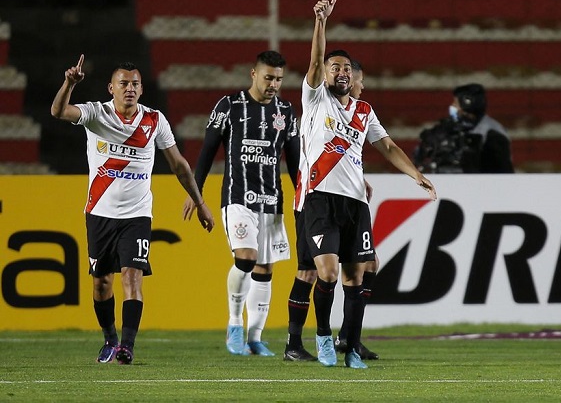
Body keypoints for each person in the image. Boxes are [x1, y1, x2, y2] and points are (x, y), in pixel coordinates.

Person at [296, 0, 436, 369]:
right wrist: (321, 22)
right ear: (325, 74)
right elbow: (315, 60)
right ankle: (323, 337)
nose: (341, 72)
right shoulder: (315, 99)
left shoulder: (364, 110)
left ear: (353, 77)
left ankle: (352, 349)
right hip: (321, 198)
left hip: (355, 202)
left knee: (356, 276)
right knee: (326, 273)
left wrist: (416, 174)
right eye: (334, 67)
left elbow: (386, 146)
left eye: (346, 68)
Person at [51, 54, 215, 365]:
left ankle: (127, 346)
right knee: (101, 283)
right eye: (123, 83)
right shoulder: (96, 114)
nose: (129, 88)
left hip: (137, 215)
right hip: (99, 212)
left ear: (141, 89)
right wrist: (69, 84)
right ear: (110, 88)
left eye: (135, 84)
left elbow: (179, 165)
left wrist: (200, 202)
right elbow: (58, 111)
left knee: (132, 276)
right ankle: (110, 338)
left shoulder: (155, 120)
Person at [183, 51, 300, 357]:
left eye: (278, 79)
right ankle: (234, 323)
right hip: (238, 198)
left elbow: (295, 161)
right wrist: (196, 192)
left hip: (272, 200)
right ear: (253, 74)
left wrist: (303, 194)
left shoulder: (286, 111)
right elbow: (208, 150)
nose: (273, 84)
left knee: (265, 268)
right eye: (268, 77)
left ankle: (255, 338)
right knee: (246, 258)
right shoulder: (230, 106)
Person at [284, 58, 379, 362]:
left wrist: (359, 179)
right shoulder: (318, 101)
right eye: (359, 79)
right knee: (311, 271)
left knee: (365, 266)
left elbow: (348, 154)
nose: (360, 85)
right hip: (311, 200)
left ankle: (349, 338)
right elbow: (315, 64)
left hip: (343, 199)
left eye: (352, 75)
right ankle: (297, 342)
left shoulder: (358, 112)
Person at [414, 83, 513, 173]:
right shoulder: (447, 127)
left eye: (455, 103)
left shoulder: (491, 131)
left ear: (467, 103)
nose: (452, 106)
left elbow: (501, 170)